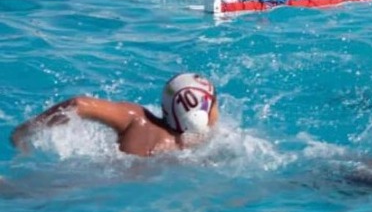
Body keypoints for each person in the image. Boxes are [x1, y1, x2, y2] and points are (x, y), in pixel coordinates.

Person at [11, 73, 219, 157]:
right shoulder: (200, 150)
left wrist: (23, 131)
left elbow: (78, 104)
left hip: (91, 179)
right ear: (202, 115)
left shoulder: (138, 120)